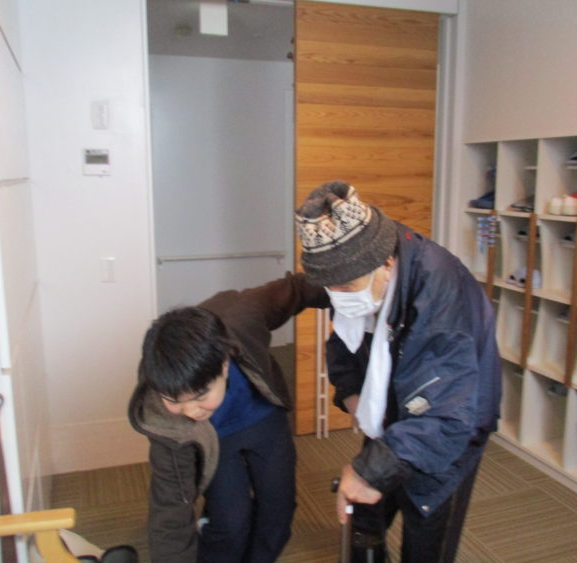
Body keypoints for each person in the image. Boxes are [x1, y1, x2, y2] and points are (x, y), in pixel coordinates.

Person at [295, 181, 501, 563]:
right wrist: (352, 391)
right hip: (394, 403)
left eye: (345, 286)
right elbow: (345, 340)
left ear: (386, 264)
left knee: (425, 521)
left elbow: (447, 415)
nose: (339, 295)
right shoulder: (362, 269)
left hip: (452, 419)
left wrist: (369, 471)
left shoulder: (442, 292)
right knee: (365, 514)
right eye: (330, 287)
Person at [128, 273, 328, 562]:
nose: (191, 411)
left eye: (200, 396)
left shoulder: (242, 314)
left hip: (264, 419)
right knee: (230, 522)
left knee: (278, 511)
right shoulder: (164, 418)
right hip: (214, 440)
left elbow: (298, 289)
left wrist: (361, 294)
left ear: (224, 365)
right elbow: (170, 509)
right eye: (174, 400)